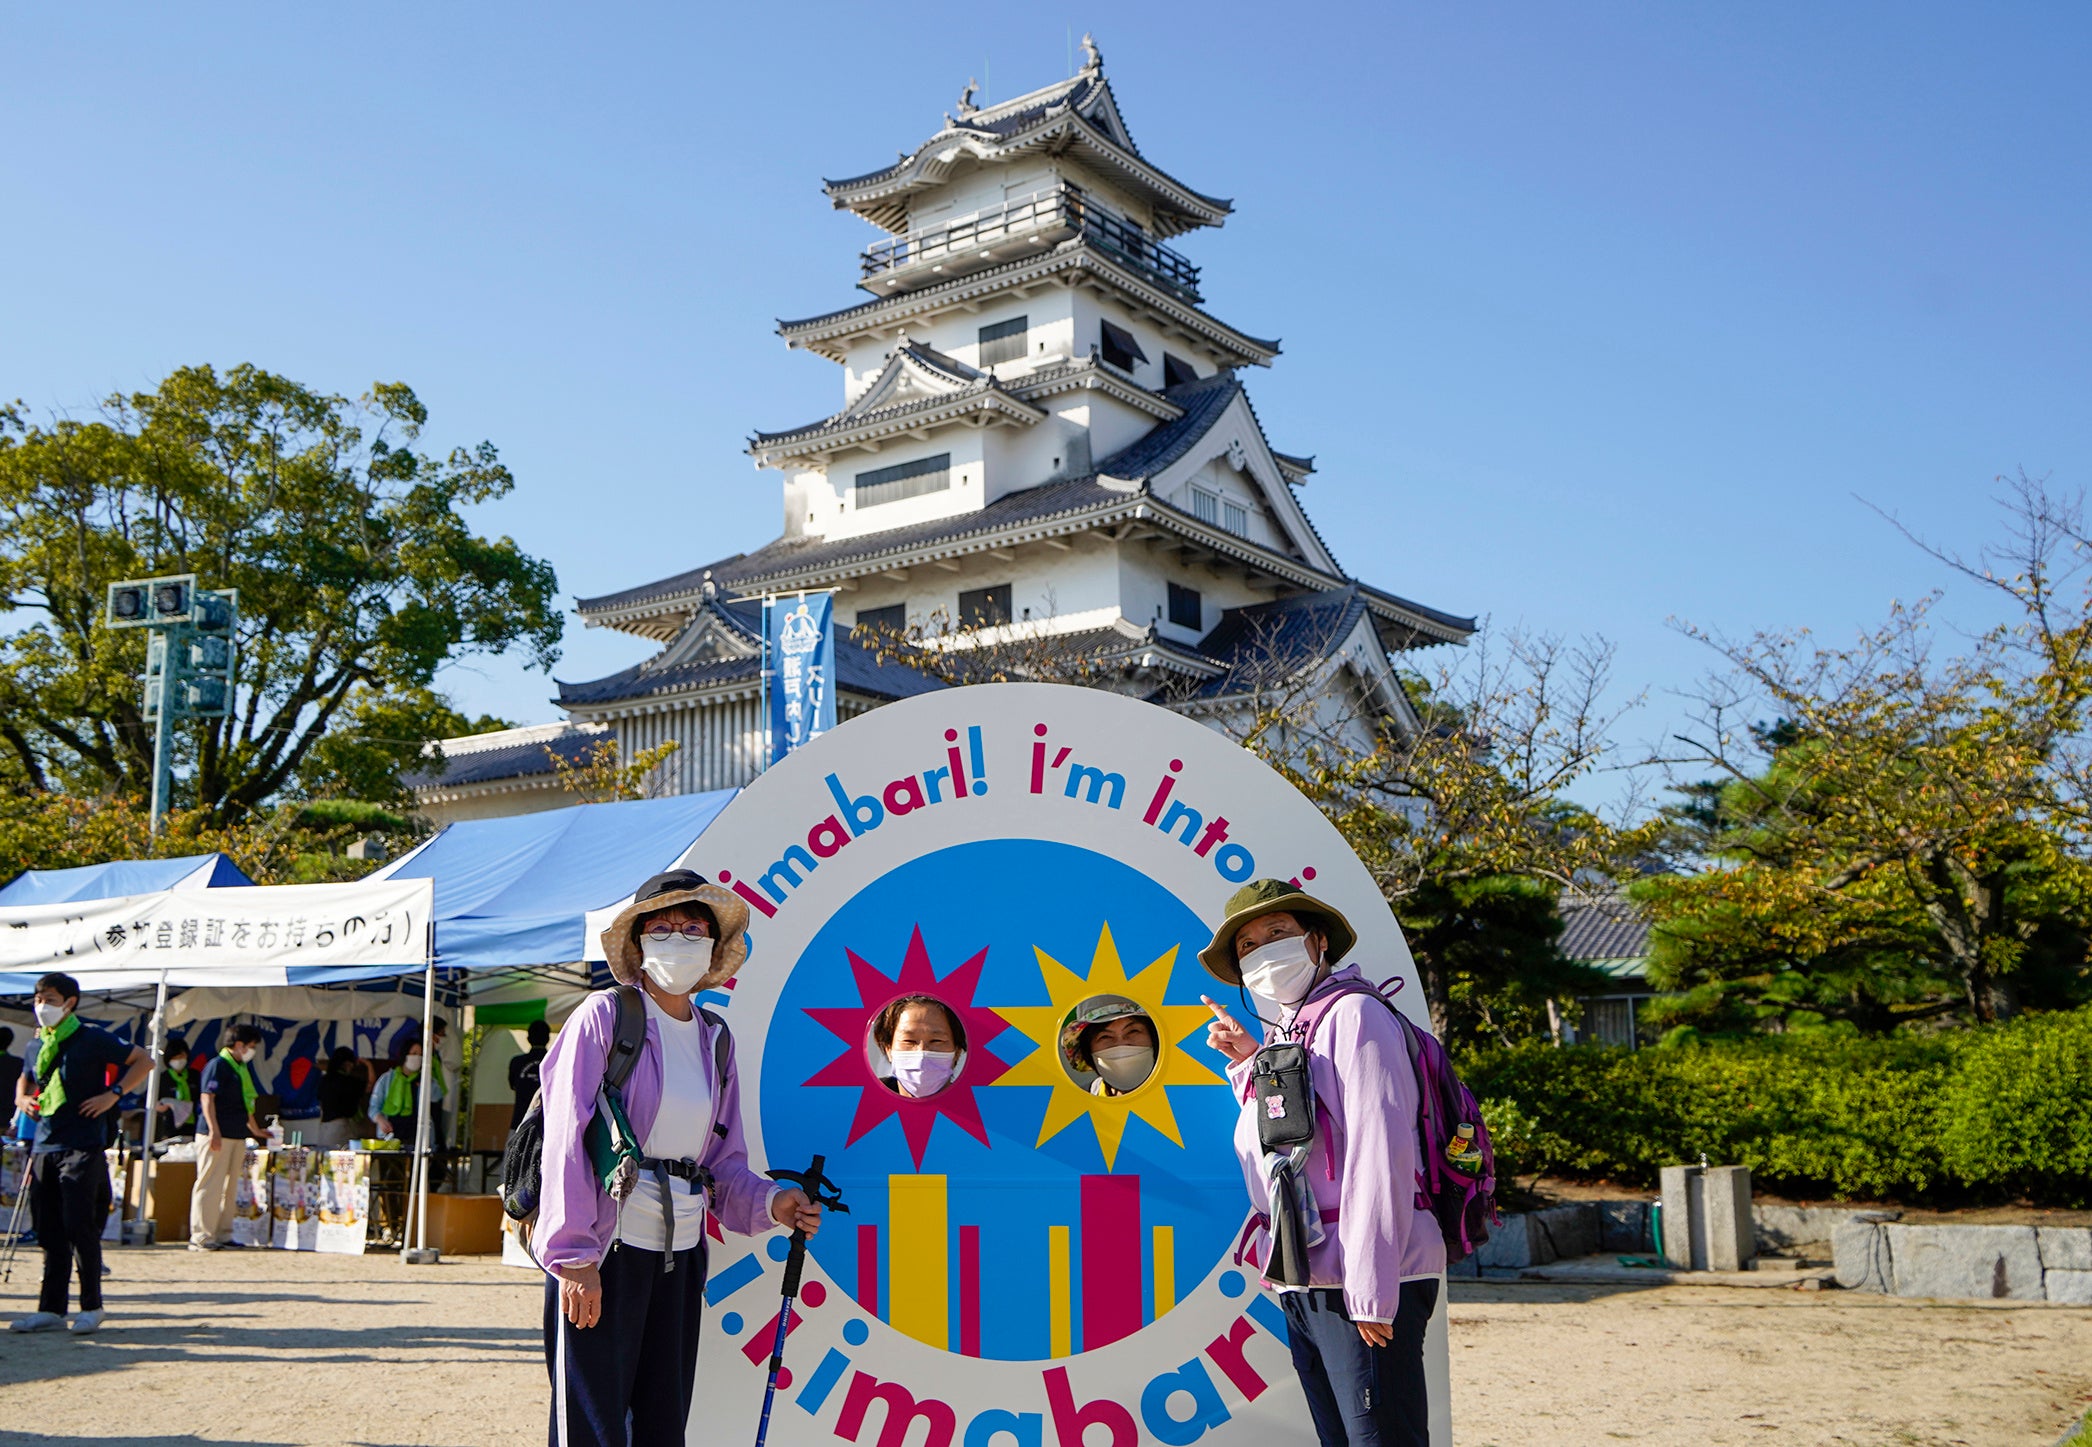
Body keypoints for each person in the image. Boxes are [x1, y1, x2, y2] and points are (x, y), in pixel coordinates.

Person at [539, 869, 823, 1447]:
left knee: (662, 1426)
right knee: (590, 1430)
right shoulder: (603, 1017)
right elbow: (565, 1139)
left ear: (713, 949)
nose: (679, 938)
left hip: (679, 1259)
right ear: (639, 942)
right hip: (606, 1254)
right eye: (663, 927)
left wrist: (776, 1201)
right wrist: (574, 1258)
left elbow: (722, 1162)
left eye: (694, 928)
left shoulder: (715, 1039)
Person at [1198, 878, 1446, 1447]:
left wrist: (1371, 1290)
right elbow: (1293, 1137)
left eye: (1277, 933)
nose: (1263, 952)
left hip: (1361, 1280)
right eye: (1247, 947)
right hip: (1309, 1276)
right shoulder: (1294, 1027)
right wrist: (1248, 1063)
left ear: (1317, 941)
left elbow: (1379, 1152)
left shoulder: (1355, 1016)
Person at [10, 972, 151, 1334]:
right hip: (44, 1143)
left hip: (82, 1144)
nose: (42, 1007)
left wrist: (113, 1094)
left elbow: (143, 1060)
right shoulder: (37, 1043)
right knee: (47, 1229)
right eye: (39, 999)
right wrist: (21, 1098)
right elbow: (26, 1075)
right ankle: (51, 1308)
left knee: (79, 1226)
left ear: (70, 1002)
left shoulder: (91, 1037)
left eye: (51, 1000)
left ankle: (92, 1305)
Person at [189, 1024, 266, 1252]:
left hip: (236, 1133)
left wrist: (256, 1130)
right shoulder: (217, 1066)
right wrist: (214, 1131)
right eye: (250, 1047)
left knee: (230, 1187)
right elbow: (207, 1099)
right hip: (216, 1134)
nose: (251, 1051)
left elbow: (245, 1105)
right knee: (209, 1184)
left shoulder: (240, 1068)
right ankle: (202, 1236)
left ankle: (223, 1234)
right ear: (239, 1044)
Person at [1058, 996, 1158, 1096]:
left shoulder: (1172, 1098)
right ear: (1088, 1050)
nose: (1121, 1045)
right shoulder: (1076, 1105)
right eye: (1105, 1037)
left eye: (1133, 1031)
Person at [871, 995, 966, 1098]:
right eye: (909, 1041)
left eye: (936, 1041)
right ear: (888, 1048)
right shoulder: (865, 1102)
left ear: (957, 1051)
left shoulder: (978, 1106)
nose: (921, 1053)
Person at [369, 1039, 433, 1147]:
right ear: (405, 1054)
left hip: (415, 1140)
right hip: (389, 1138)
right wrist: (380, 1119)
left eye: (421, 1055)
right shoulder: (387, 1079)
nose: (418, 1057)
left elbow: (435, 1102)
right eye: (414, 1053)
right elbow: (373, 1107)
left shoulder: (425, 1081)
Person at [313, 1046, 367, 1149]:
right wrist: (368, 1065)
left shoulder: (324, 1080)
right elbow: (369, 1086)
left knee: (324, 1158)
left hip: (324, 1126)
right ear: (347, 1064)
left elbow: (320, 1099)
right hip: (340, 1126)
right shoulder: (349, 1082)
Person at [509, 1019, 550, 1134]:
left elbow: (513, 1085)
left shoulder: (517, 1062)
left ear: (528, 1039)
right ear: (548, 1039)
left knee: (515, 1152)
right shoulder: (556, 1061)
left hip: (519, 1122)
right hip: (548, 1125)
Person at [154, 1035, 199, 1139]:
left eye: (181, 1056)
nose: (179, 1060)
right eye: (175, 1057)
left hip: (194, 1127)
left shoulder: (195, 1076)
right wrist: (158, 1107)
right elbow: (145, 1101)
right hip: (169, 1128)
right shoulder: (163, 1078)